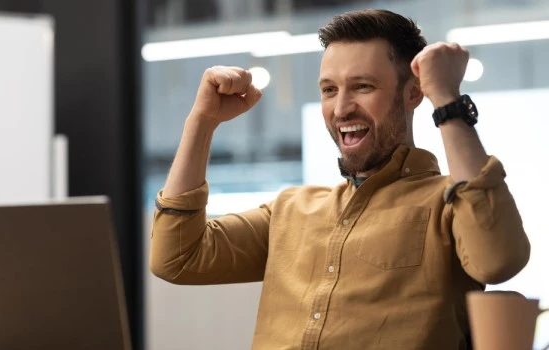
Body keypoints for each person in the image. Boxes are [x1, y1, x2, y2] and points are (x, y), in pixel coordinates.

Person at [149, 9, 530, 350]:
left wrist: (446, 98)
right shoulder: (290, 210)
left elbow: (499, 260)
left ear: (413, 93)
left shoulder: (447, 203)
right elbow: (177, 258)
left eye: (363, 86)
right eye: (329, 90)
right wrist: (201, 121)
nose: (342, 107)